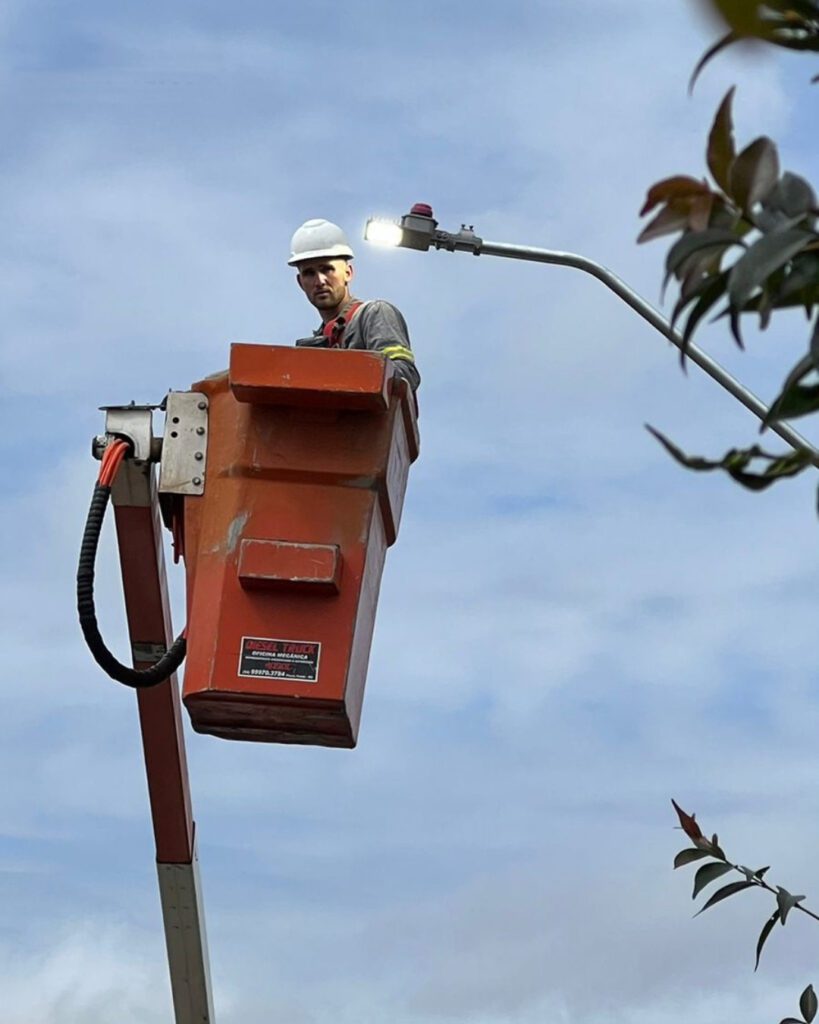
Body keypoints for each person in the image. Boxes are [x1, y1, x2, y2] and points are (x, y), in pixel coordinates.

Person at [289, 219, 420, 392]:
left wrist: (343, 373)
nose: (320, 281)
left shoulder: (374, 314)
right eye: (309, 273)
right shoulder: (318, 345)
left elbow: (404, 374)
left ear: (348, 273)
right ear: (300, 282)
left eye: (327, 269)